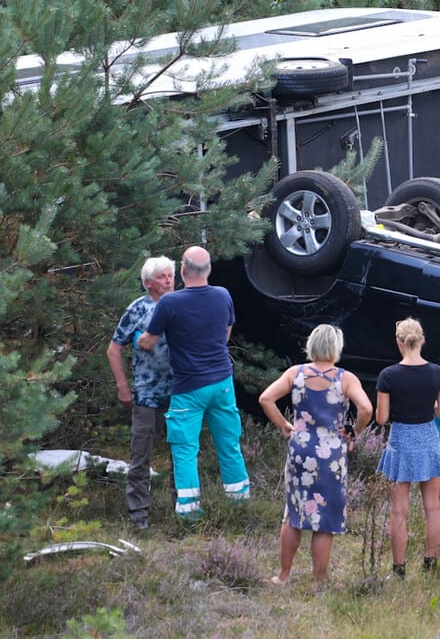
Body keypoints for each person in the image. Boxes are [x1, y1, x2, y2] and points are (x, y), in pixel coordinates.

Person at [138, 245, 251, 521]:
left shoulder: (169, 303)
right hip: (222, 383)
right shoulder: (223, 296)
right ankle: (240, 505)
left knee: (185, 449)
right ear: (209, 269)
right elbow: (225, 335)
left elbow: (149, 342)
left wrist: (138, 338)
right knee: (229, 444)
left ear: (183, 271)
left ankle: (189, 514)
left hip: (189, 388)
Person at [259, 324, 372, 587]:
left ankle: (284, 575)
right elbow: (365, 408)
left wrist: (283, 425)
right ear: (336, 347)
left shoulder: (295, 373)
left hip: (300, 449)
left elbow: (266, 398)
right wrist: (353, 432)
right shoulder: (345, 378)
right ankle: (318, 580)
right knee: (324, 519)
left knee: (294, 514)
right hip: (330, 454)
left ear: (311, 345)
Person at [374, 318, 440, 577]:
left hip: (402, 441)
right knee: (432, 507)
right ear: (422, 340)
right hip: (428, 439)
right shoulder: (437, 373)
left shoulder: (388, 376)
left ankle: (399, 568)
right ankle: (431, 562)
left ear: (399, 342)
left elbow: (382, 418)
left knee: (399, 511)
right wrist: (427, 404)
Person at [105, 256, 175, 529]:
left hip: (179, 393)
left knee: (181, 454)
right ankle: (138, 517)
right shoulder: (137, 309)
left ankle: (184, 509)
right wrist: (123, 386)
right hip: (146, 394)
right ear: (148, 283)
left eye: (171, 275)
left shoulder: (181, 304)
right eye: (162, 277)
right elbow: (114, 348)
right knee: (141, 456)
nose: (169, 280)